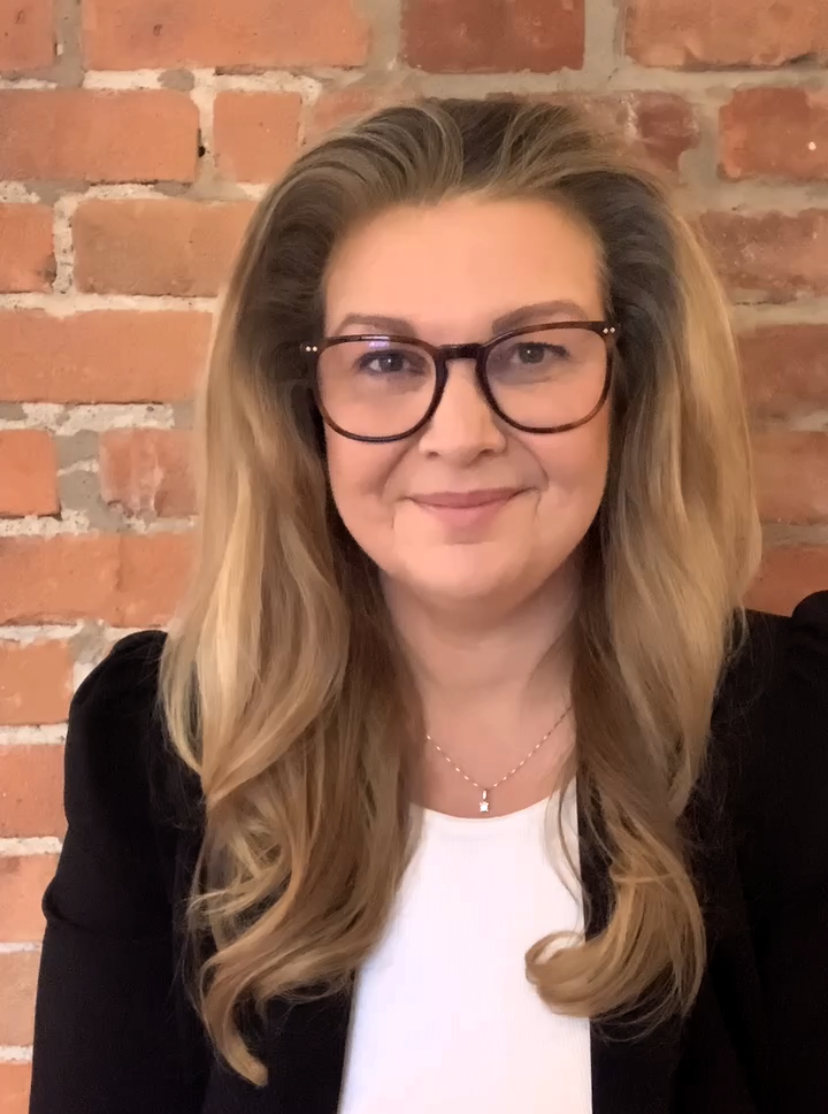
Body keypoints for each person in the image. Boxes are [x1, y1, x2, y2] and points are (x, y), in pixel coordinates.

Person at [29, 97, 827, 1114]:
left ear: (632, 385)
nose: (460, 435)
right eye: (385, 362)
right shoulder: (161, 746)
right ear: (303, 408)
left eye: (534, 351)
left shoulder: (798, 731)